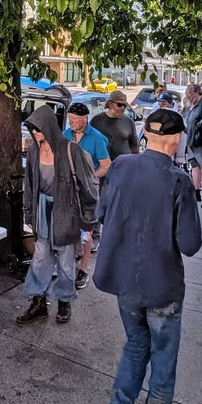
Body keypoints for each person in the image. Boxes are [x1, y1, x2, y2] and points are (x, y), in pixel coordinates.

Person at [94, 108, 202, 404]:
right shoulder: (178, 179)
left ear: (145, 133)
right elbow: (190, 243)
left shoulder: (122, 166)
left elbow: (102, 212)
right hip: (162, 289)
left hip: (125, 283)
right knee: (163, 365)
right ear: (175, 139)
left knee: (135, 347)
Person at [16, 104, 99, 326]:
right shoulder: (34, 151)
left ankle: (64, 301)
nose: (35, 133)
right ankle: (39, 301)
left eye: (38, 129)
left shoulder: (70, 150)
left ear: (50, 127)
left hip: (66, 211)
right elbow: (30, 185)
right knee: (40, 258)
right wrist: (29, 214)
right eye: (32, 129)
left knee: (65, 259)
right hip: (43, 209)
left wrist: (89, 220)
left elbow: (87, 186)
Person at [62, 101, 110, 290]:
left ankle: (83, 270)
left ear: (85, 118)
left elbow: (106, 164)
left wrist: (89, 179)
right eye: (69, 120)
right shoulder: (66, 135)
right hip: (68, 191)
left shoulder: (97, 138)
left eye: (74, 120)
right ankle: (68, 263)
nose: (71, 123)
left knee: (86, 231)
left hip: (88, 191)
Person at [183, 83, 202, 204]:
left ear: (198, 92)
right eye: (187, 93)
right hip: (190, 141)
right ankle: (197, 191)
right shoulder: (188, 107)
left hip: (201, 141)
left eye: (191, 93)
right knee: (194, 166)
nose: (189, 95)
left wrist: (198, 128)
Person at [90, 90, 139, 159]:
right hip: (103, 164)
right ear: (110, 104)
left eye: (125, 106)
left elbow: (134, 147)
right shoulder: (96, 121)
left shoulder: (128, 121)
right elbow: (90, 145)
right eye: (119, 105)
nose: (122, 108)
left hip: (124, 164)